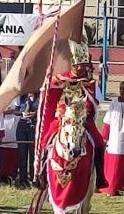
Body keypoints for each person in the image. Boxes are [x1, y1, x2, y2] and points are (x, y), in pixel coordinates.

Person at [37, 39, 106, 189]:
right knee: (47, 140)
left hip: (82, 121)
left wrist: (87, 109)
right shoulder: (61, 78)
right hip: (64, 119)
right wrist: (47, 78)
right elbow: (50, 93)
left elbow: (93, 102)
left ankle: (100, 176)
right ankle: (41, 174)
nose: (82, 68)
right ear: (73, 64)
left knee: (99, 142)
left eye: (84, 65)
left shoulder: (89, 83)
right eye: (79, 64)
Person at [100, 81, 124, 196]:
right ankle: (110, 188)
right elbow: (107, 122)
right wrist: (105, 137)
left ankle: (123, 187)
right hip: (114, 139)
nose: (122, 91)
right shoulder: (114, 102)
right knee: (113, 164)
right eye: (121, 88)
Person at [16, 93, 38, 189]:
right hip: (22, 125)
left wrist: (36, 113)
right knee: (22, 155)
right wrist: (22, 113)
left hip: (34, 126)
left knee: (33, 155)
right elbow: (15, 111)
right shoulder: (21, 97)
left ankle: (33, 178)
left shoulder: (39, 97)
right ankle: (22, 180)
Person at [0, 98, 21, 183]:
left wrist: (7, 111)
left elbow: (16, 109)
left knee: (12, 147)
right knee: (2, 148)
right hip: (2, 121)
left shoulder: (15, 97)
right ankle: (2, 175)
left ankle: (12, 174)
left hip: (12, 122)